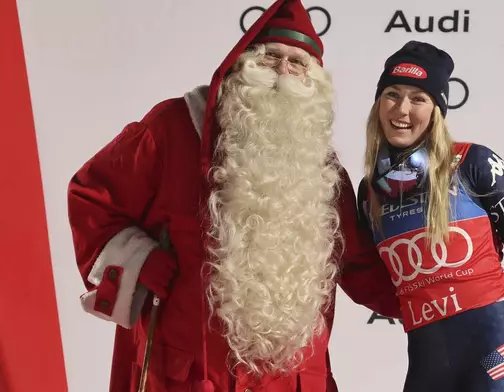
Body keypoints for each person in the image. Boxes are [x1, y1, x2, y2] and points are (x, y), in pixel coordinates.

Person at [66, 1, 399, 391]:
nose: (283, 72)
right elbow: (92, 195)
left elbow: (358, 263)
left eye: (298, 63)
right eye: (272, 57)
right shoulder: (173, 129)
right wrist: (141, 262)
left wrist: (439, 296)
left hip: (290, 379)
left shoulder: (320, 167)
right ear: (243, 66)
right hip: (188, 372)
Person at [356, 40, 504, 392]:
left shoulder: (474, 163)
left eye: (418, 98)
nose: (401, 109)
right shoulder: (369, 192)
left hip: (495, 353)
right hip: (428, 365)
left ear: (436, 110)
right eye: (391, 94)